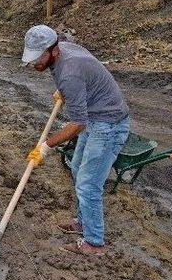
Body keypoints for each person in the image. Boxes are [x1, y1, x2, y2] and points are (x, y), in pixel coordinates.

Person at [21, 24, 130, 256]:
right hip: (95, 116)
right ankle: (83, 222)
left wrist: (46, 146)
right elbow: (86, 73)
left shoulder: (69, 72)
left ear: (53, 50)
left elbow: (77, 124)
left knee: (88, 185)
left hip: (108, 124)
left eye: (37, 58)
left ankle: (94, 243)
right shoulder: (65, 51)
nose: (34, 64)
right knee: (77, 169)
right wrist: (68, 91)